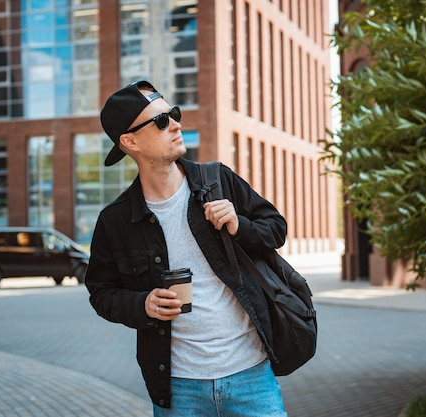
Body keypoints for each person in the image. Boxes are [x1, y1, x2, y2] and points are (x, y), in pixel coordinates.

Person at [85, 80, 289, 416]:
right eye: (162, 121)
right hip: (178, 389)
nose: (177, 124)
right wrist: (142, 304)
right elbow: (101, 292)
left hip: (250, 374)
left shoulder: (218, 180)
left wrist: (240, 224)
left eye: (174, 114)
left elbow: (276, 229)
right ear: (130, 141)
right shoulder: (116, 220)